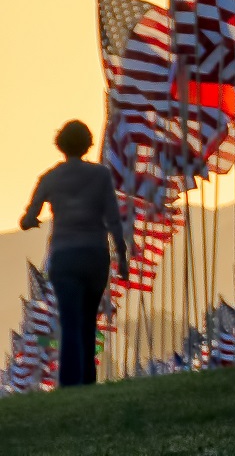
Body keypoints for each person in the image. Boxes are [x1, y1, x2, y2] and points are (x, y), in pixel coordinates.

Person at [19, 120, 125, 388]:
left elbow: (28, 217)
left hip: (65, 256)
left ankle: (68, 383)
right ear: (88, 144)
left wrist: (32, 221)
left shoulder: (50, 178)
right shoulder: (101, 176)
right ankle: (88, 380)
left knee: (69, 321)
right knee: (89, 320)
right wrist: (121, 256)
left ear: (60, 145)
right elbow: (113, 219)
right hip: (95, 255)